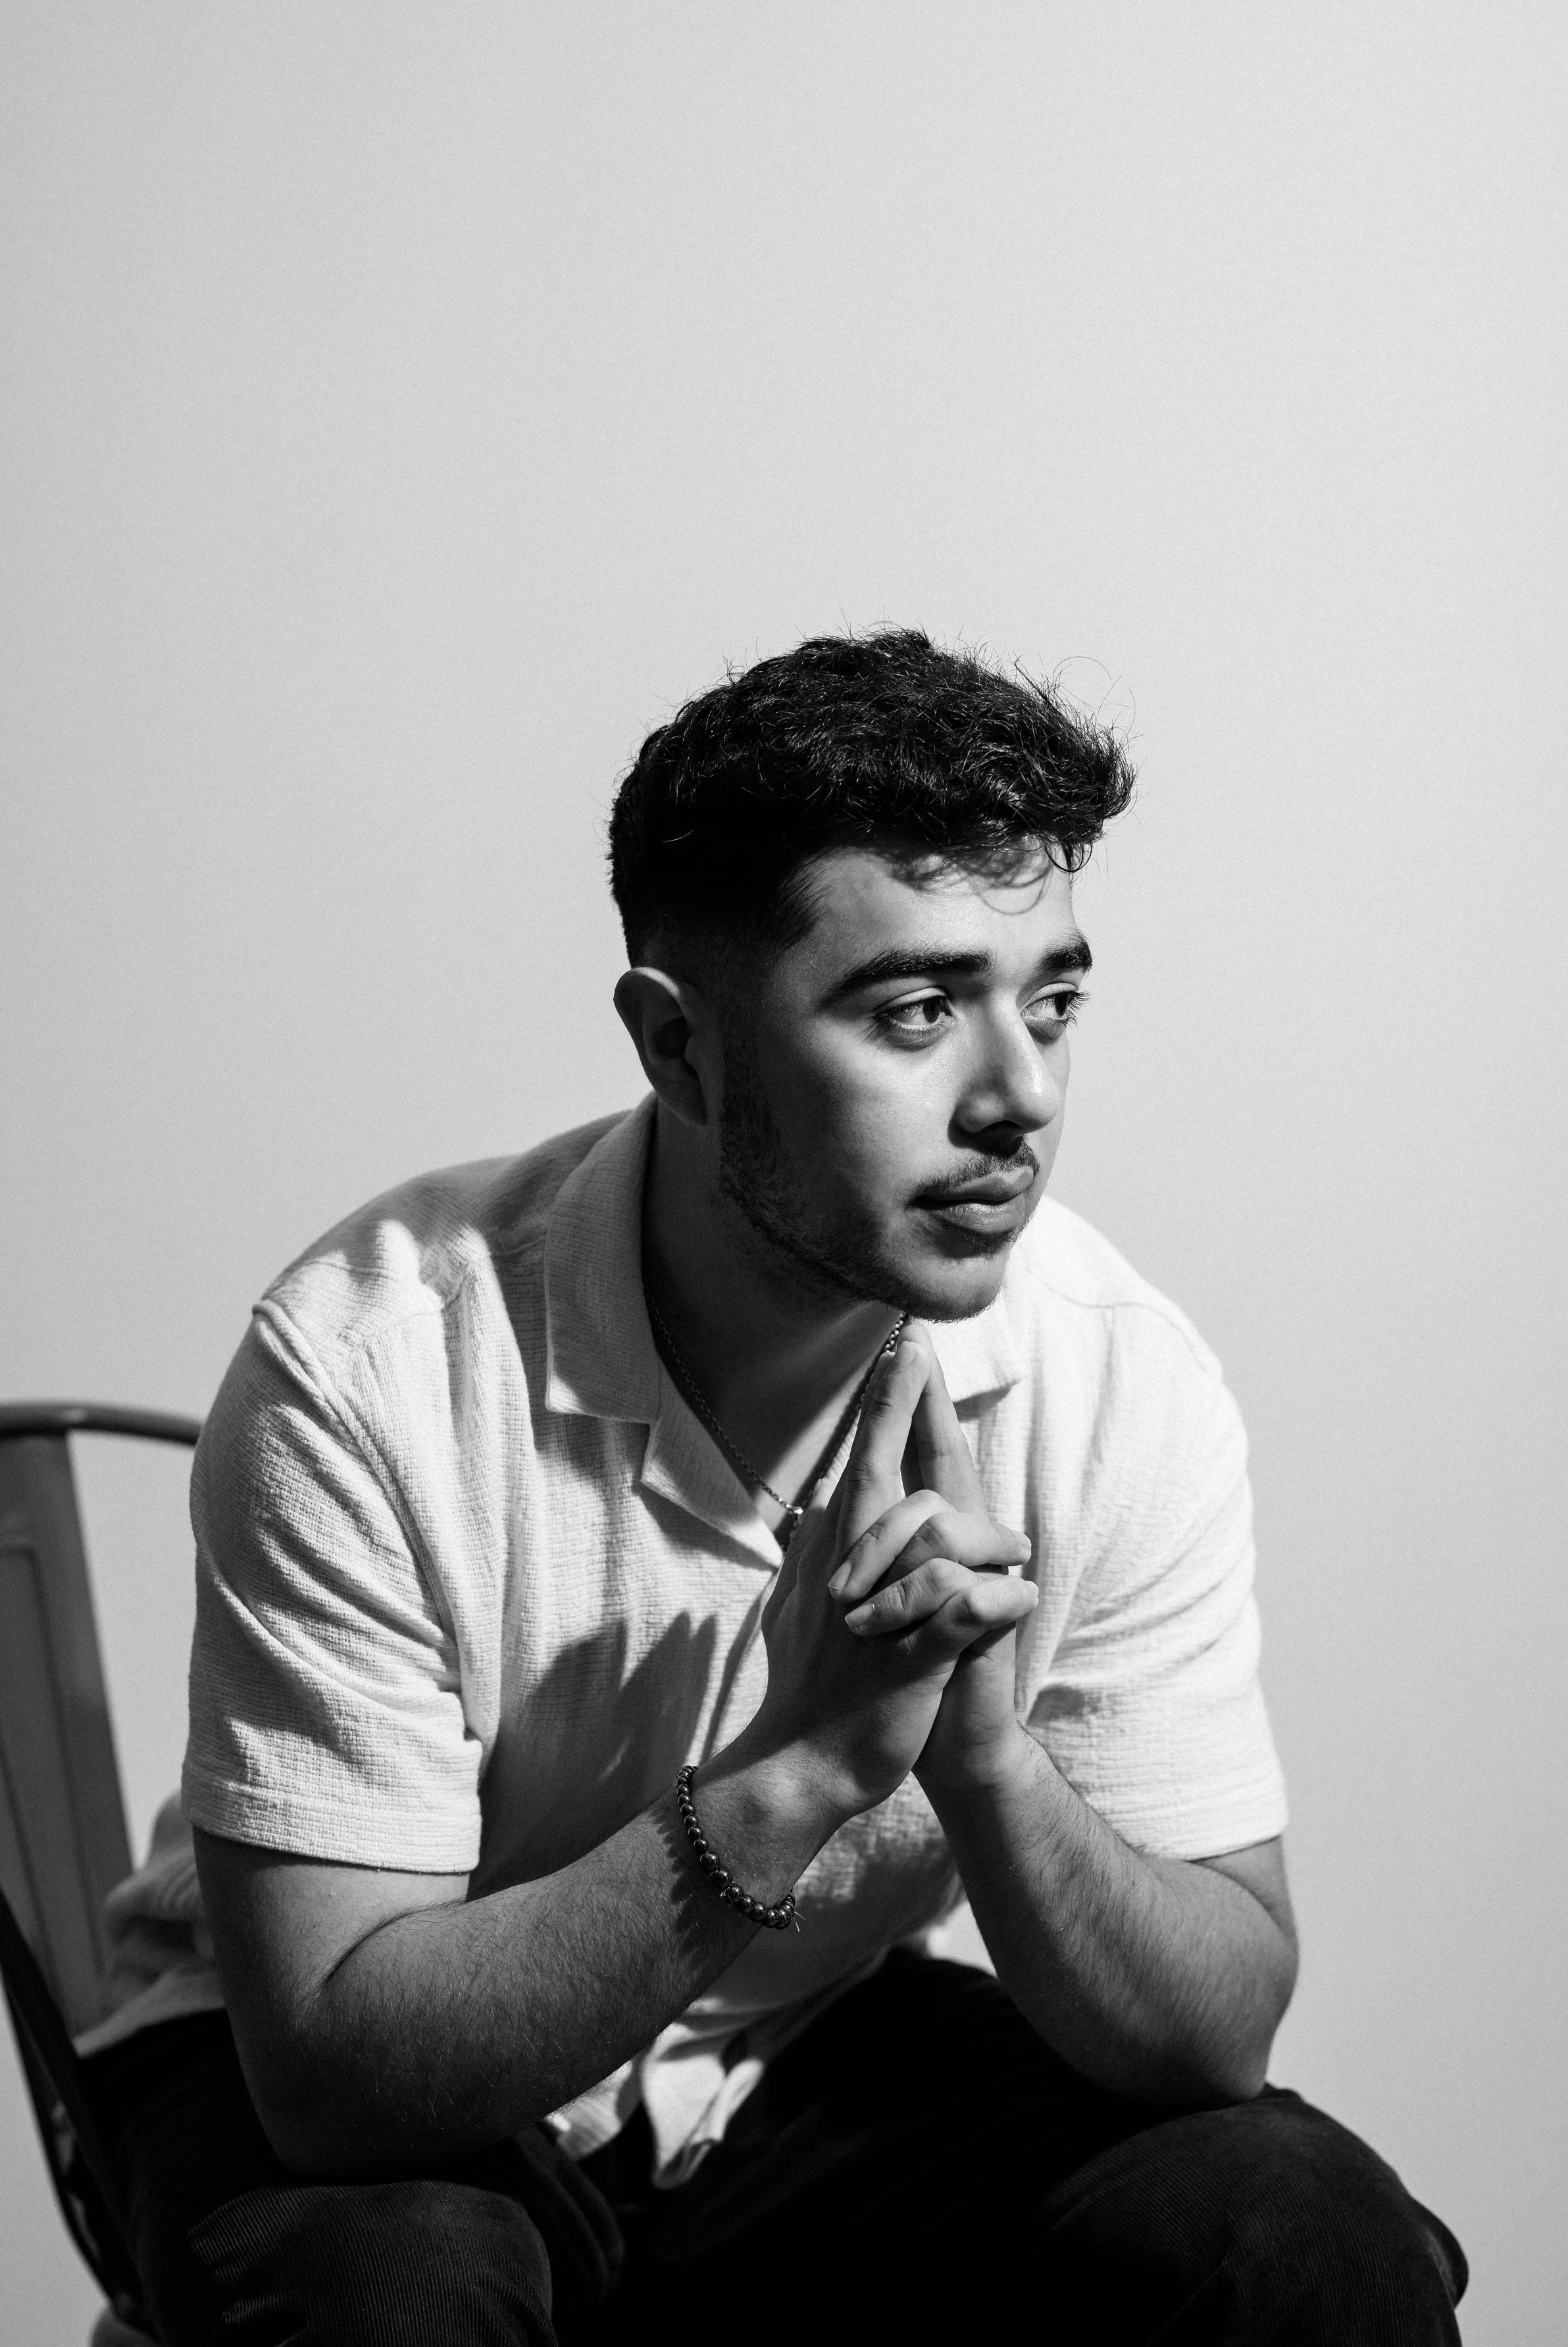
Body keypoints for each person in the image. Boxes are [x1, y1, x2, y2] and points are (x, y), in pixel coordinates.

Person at [82, 630, 1466, 2344]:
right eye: (915, 1012)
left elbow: (1215, 2029)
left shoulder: (1117, 1374)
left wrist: (983, 1759)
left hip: (785, 2048)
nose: (1020, 1097)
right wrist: (801, 1769)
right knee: (401, 2293)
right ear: (679, 1048)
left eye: (1050, 1002)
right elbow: (337, 2077)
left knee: (1303, 2236)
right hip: (331, 2058)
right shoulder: (372, 1365)